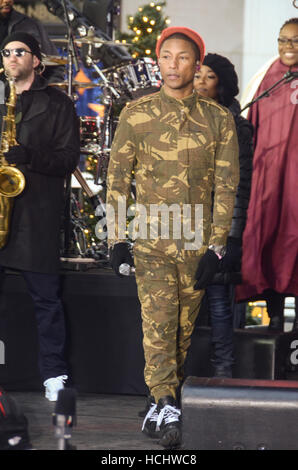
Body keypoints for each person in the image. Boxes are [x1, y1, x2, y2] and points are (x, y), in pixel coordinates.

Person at [106, 26, 239, 448]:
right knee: (159, 326)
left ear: (197, 64)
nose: (174, 65)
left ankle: (159, 402)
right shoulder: (137, 113)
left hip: (196, 239)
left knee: (182, 331)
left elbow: (227, 185)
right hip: (151, 237)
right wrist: (116, 238)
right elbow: (116, 180)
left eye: (184, 58)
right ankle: (165, 400)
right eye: (167, 57)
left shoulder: (219, 119)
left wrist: (218, 246)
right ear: (157, 61)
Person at [0, 32, 80, 400]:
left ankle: (53, 374)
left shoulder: (59, 104)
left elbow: (67, 160)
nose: (12, 57)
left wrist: (28, 156)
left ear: (36, 60)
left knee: (46, 299)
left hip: (35, 214)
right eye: (7, 52)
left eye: (20, 52)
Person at [236, 18, 298, 331]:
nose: (288, 47)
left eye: (295, 40)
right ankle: (274, 321)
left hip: (296, 180)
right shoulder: (268, 76)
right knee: (270, 241)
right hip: (269, 176)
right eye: (283, 40)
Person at [193, 54, 253, 377]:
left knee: (218, 303)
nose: (201, 82)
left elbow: (240, 187)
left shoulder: (238, 127)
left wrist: (229, 238)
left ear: (223, 84)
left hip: (219, 227)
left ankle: (223, 372)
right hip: (186, 224)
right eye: (198, 75)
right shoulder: (185, 118)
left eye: (209, 76)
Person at [0, 0, 64, 83]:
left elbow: (55, 63)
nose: (7, 1)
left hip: (26, 91)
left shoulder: (30, 25)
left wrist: (50, 88)